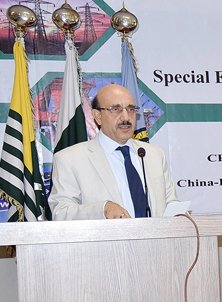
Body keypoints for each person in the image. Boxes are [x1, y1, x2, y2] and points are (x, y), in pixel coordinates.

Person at [49, 83, 177, 220]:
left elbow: (170, 203)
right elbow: (61, 212)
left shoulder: (154, 155)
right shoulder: (69, 159)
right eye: (116, 109)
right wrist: (102, 210)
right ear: (97, 116)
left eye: (131, 109)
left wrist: (179, 215)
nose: (126, 118)